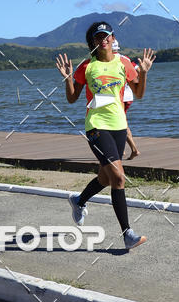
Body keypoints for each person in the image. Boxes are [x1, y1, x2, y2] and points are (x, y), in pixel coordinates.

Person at [55, 21, 155, 250]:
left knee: (106, 177)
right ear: (93, 42)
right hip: (96, 126)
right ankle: (127, 233)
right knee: (118, 178)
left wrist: (144, 73)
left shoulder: (124, 63)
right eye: (98, 37)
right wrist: (68, 77)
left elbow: (138, 94)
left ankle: (78, 201)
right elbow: (72, 98)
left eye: (106, 35)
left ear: (112, 37)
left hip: (119, 125)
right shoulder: (87, 67)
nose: (103, 40)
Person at [112, 39, 139, 159]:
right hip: (128, 95)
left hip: (120, 97)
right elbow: (138, 70)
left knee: (121, 123)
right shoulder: (125, 58)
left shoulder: (111, 60)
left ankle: (134, 149)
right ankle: (121, 150)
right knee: (118, 122)